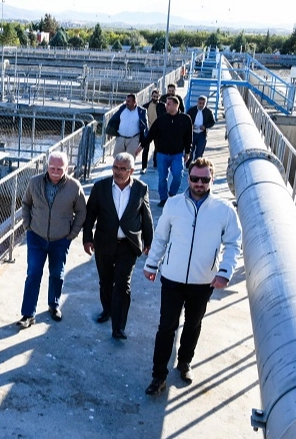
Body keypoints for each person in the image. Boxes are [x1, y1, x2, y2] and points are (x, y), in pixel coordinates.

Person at [143, 157, 242, 395]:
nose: (199, 183)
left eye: (204, 179)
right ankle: (158, 376)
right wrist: (151, 265)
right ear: (188, 178)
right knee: (166, 327)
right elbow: (161, 238)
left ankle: (185, 362)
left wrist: (225, 272)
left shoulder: (224, 211)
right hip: (172, 278)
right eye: (195, 178)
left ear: (212, 179)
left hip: (203, 280)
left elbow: (233, 243)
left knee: (193, 324)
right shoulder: (174, 205)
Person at [83, 152, 153, 340]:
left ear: (131, 170)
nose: (118, 172)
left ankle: (119, 327)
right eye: (115, 167)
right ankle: (107, 310)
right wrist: (87, 238)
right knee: (105, 281)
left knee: (122, 285)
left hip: (128, 245)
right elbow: (90, 216)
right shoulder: (100, 187)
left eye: (122, 169)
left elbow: (146, 217)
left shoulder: (141, 189)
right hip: (104, 243)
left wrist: (149, 242)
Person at [18, 151, 87, 328]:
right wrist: (28, 226)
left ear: (67, 168)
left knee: (57, 273)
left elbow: (81, 212)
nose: (55, 172)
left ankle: (53, 305)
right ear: (46, 167)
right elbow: (26, 204)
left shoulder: (74, 187)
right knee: (33, 273)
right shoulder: (35, 182)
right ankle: (28, 314)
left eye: (59, 169)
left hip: (60, 239)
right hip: (36, 237)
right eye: (52, 168)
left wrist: (72, 234)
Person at [141, 96, 192, 208]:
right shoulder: (161, 120)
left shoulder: (185, 119)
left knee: (178, 176)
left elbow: (189, 137)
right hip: (162, 154)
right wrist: (142, 146)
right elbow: (151, 134)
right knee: (162, 178)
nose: (166, 106)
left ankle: (172, 194)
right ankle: (163, 198)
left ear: (175, 105)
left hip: (177, 154)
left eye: (168, 104)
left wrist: (187, 152)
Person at [106, 94, 148, 158]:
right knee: (117, 158)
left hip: (133, 139)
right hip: (120, 138)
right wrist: (110, 132)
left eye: (128, 101)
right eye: (126, 101)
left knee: (130, 160)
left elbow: (145, 127)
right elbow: (114, 119)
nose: (126, 103)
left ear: (134, 102)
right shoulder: (122, 108)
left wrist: (143, 142)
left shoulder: (141, 111)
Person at [141, 89, 166, 174]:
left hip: (158, 130)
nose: (155, 98)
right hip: (148, 130)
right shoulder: (146, 106)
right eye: (154, 96)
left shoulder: (163, 106)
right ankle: (144, 166)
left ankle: (155, 164)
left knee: (157, 148)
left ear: (159, 97)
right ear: (151, 96)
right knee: (146, 149)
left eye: (157, 96)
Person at [186, 95, 215, 166]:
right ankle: (188, 166)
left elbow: (212, 122)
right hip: (192, 134)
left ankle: (197, 166)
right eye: (200, 103)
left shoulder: (208, 112)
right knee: (190, 151)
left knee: (199, 152)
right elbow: (185, 120)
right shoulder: (191, 110)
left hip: (202, 134)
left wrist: (205, 126)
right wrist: (191, 126)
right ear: (197, 103)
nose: (201, 105)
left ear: (205, 104)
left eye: (203, 103)